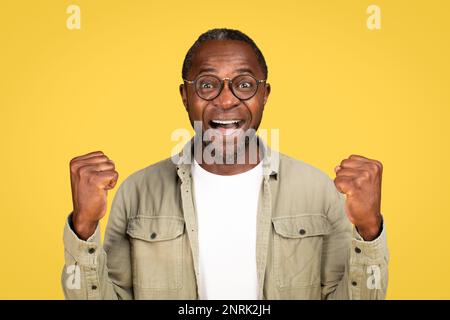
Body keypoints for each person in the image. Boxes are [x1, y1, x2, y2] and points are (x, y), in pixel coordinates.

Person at [62, 28, 389, 300]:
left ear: (265, 95)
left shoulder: (317, 190)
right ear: (185, 97)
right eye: (207, 84)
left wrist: (369, 230)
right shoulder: (137, 191)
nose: (227, 99)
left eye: (245, 85)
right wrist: (84, 227)